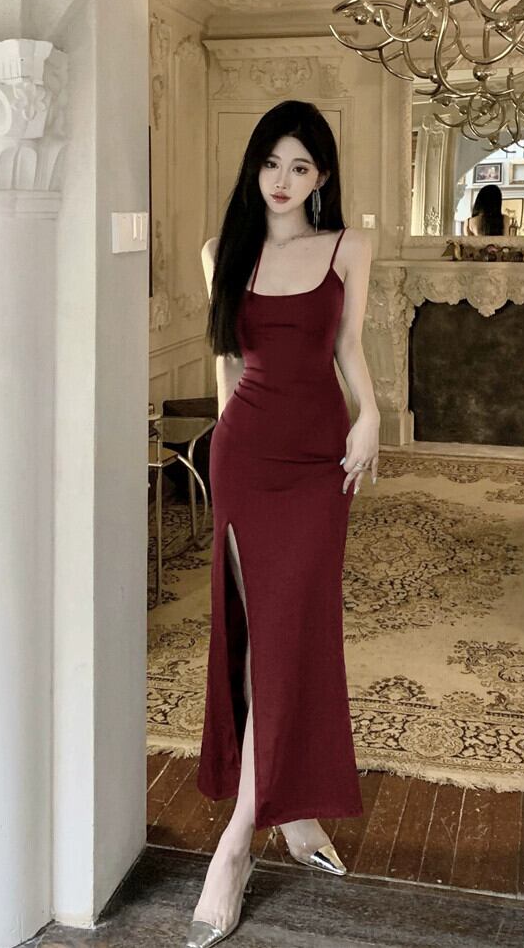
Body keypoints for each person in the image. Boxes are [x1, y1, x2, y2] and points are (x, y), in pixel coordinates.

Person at [186, 100, 379, 946]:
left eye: (300, 166)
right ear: (254, 167)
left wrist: (372, 415)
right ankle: (275, 822)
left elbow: (348, 348)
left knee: (293, 633)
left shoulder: (347, 248)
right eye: (272, 162)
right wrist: (222, 450)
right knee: (258, 638)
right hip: (246, 458)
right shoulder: (221, 252)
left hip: (318, 463)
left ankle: (244, 836)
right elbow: (227, 366)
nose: (283, 179)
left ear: (321, 176)